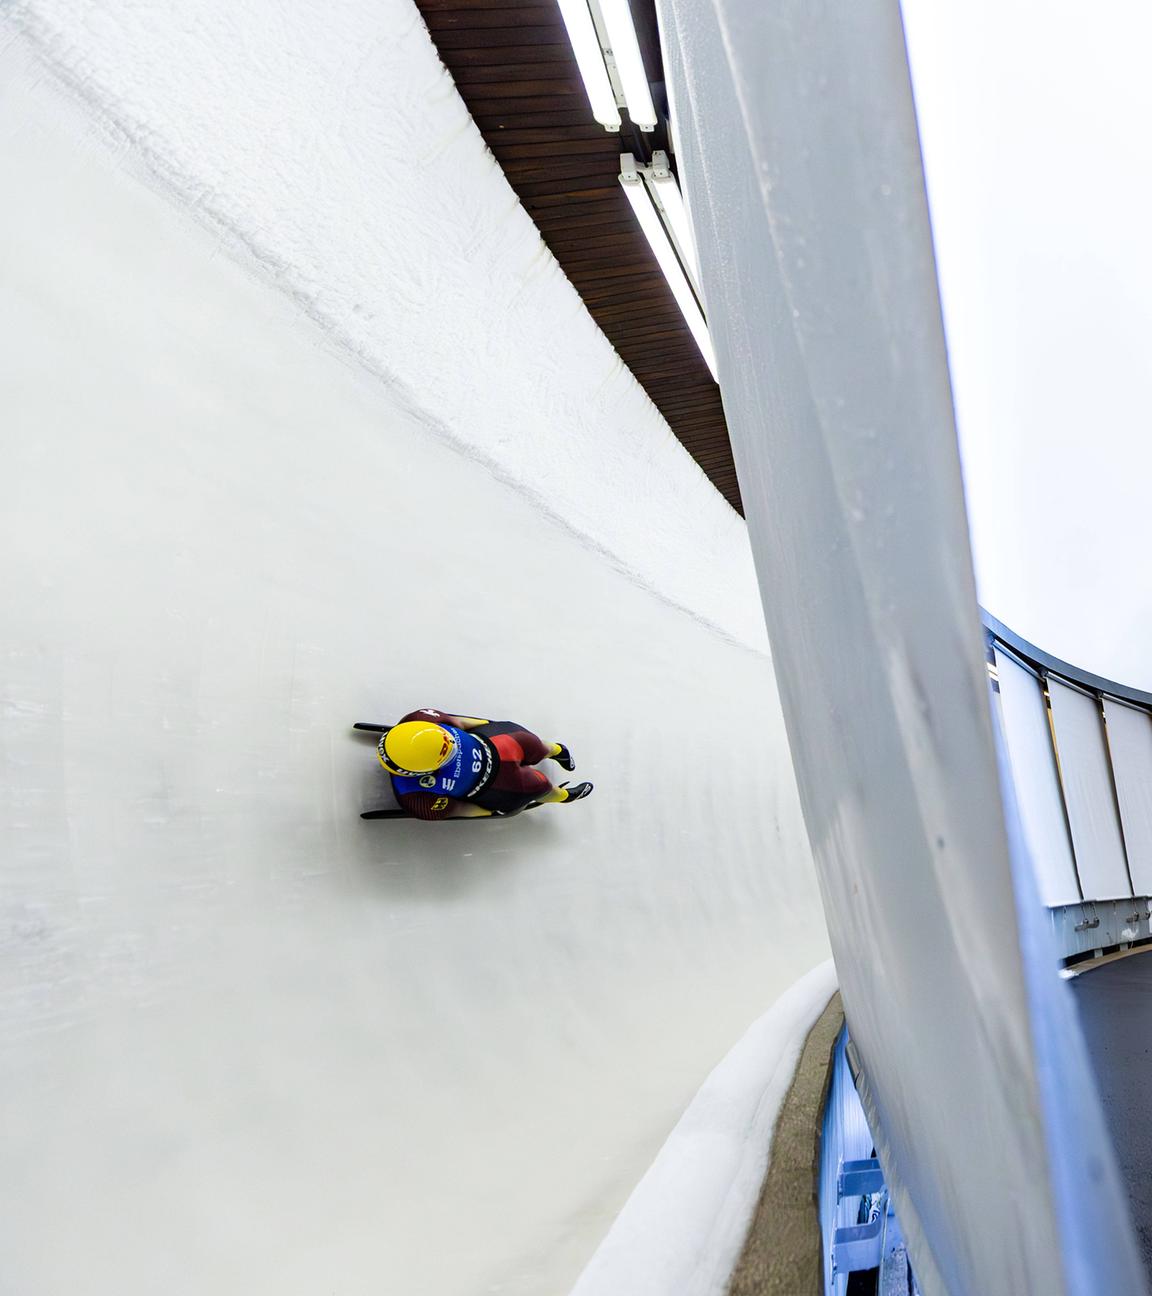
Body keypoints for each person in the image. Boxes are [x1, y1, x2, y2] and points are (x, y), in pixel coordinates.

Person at [369, 708, 593, 820]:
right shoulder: (415, 798)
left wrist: (492, 725)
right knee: (539, 787)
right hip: (497, 786)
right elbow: (462, 809)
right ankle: (562, 796)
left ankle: (556, 750)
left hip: (495, 742)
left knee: (533, 743)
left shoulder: (419, 719)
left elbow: (462, 722)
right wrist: (493, 811)